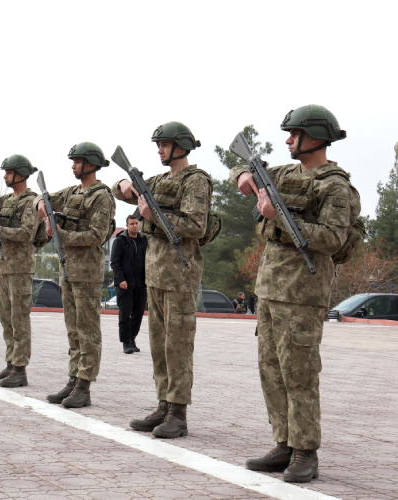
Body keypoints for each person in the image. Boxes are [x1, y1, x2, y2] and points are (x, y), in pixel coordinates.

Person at [232, 105, 358, 482]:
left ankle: (306, 452)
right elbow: (241, 170)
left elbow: (333, 238)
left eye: (294, 134)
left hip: (303, 293)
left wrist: (279, 218)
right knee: (270, 370)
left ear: (315, 137)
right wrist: (242, 175)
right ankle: (284, 443)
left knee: (299, 373)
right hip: (270, 290)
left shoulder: (335, 186)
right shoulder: (285, 173)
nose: (288, 140)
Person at [114, 122, 211, 439]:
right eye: (158, 144)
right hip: (154, 274)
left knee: (177, 346)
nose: (159, 149)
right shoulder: (155, 181)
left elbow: (195, 225)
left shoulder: (195, 181)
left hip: (180, 275)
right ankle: (163, 404)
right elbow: (118, 190)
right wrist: (123, 184)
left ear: (181, 146)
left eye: (165, 144)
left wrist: (154, 216)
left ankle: (178, 414)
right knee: (158, 345)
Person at [36, 143, 116, 408]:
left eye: (78, 161)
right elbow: (45, 197)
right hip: (67, 269)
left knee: (88, 330)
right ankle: (73, 379)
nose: (73, 165)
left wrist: (59, 234)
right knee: (73, 330)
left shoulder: (101, 196)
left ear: (91, 164)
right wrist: (40, 205)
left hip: (87, 273)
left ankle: (84, 385)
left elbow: (97, 236)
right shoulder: (72, 192)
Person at [0, 154, 42, 388]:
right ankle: (10, 363)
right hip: (4, 267)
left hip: (21, 268)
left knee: (19, 319)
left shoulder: (30, 201)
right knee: (6, 318)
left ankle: (20, 369)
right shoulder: (9, 199)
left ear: (21, 174)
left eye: (8, 172)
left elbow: (27, 233)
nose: (5, 176)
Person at [110, 214, 148, 354]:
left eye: (136, 223)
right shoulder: (120, 241)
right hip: (124, 284)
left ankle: (132, 338)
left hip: (141, 283)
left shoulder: (144, 240)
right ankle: (126, 342)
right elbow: (115, 262)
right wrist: (121, 279)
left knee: (138, 313)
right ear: (127, 225)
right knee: (125, 314)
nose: (134, 226)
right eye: (131, 224)